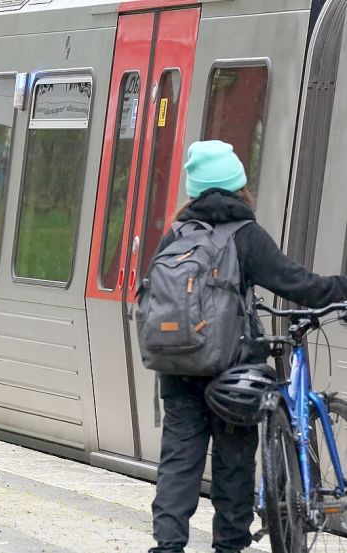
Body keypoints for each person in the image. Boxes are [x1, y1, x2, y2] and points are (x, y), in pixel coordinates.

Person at [148, 140, 347, 553]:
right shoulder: (246, 235)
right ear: (239, 186)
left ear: (195, 189)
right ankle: (229, 546)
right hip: (232, 375)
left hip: (178, 368)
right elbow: (299, 285)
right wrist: (341, 289)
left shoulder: (176, 235)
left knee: (178, 465)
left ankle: (167, 547)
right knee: (233, 466)